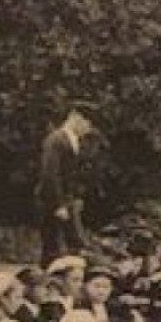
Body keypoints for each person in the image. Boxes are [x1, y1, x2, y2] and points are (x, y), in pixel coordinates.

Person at [36, 106, 97, 266]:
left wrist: (75, 198)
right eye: (87, 124)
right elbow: (50, 174)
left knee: (73, 243)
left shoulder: (73, 141)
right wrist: (58, 204)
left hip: (68, 200)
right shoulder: (56, 140)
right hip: (53, 201)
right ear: (75, 117)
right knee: (53, 245)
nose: (88, 129)